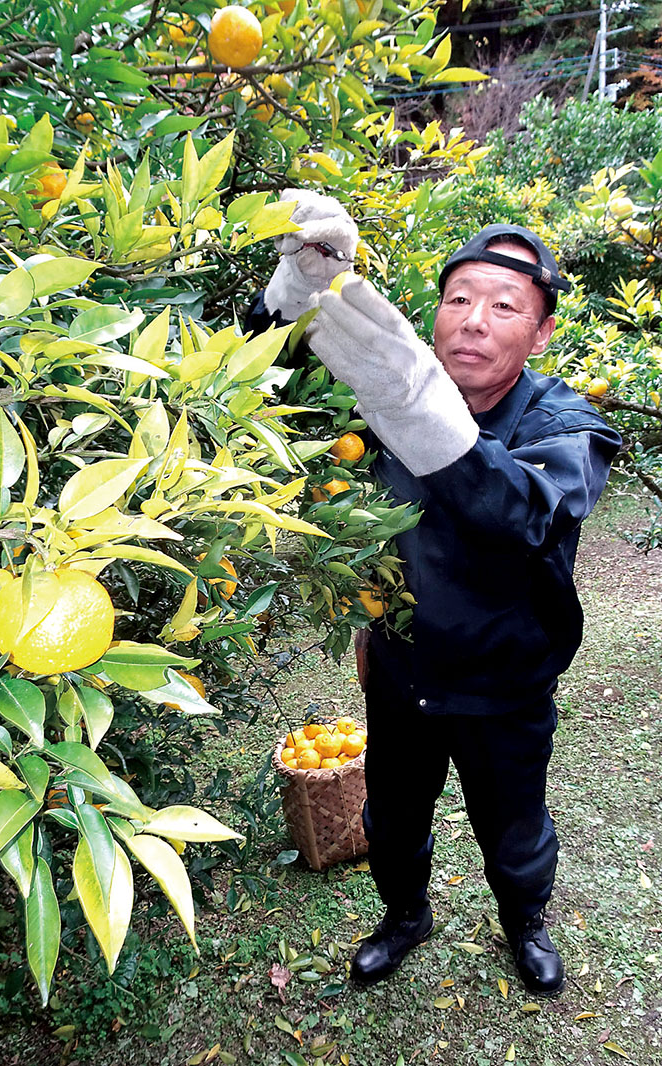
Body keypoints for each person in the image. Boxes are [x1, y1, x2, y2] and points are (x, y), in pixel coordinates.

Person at [250, 191, 622, 996]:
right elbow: (259, 384)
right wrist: (290, 293)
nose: (473, 321)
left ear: (541, 330)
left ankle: (525, 920)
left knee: (514, 830)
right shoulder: (379, 398)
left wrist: (413, 399)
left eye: (503, 305)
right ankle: (405, 915)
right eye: (457, 299)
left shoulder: (565, 424)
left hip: (507, 685)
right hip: (403, 672)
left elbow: (519, 512)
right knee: (393, 818)